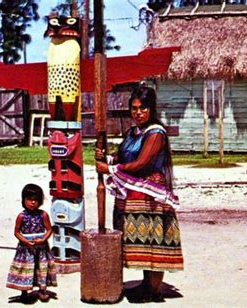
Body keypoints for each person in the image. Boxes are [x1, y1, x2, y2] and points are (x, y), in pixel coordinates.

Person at [95, 85, 184, 302]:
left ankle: (153, 290)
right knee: (140, 241)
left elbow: (141, 163)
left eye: (143, 108)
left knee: (153, 241)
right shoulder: (133, 133)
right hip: (132, 195)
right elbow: (123, 156)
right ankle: (146, 285)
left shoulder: (156, 134)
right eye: (134, 108)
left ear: (151, 109)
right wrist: (108, 157)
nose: (138, 112)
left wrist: (111, 169)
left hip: (150, 196)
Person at [6, 183, 57, 302]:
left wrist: (43, 239)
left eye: (36, 200)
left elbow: (49, 229)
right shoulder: (21, 216)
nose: (33, 202)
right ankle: (24, 291)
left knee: (41, 268)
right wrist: (26, 241)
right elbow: (17, 232)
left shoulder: (43, 215)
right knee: (25, 269)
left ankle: (42, 290)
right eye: (29, 199)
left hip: (41, 248)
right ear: (23, 200)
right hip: (26, 249)